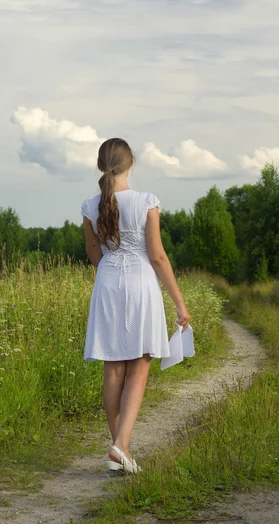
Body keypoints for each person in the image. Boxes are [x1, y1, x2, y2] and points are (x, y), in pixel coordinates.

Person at [81, 138, 190, 473]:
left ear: (101, 165)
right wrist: (180, 305)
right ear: (130, 164)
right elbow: (157, 256)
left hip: (108, 283)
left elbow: (94, 254)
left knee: (113, 369)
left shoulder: (89, 206)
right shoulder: (145, 202)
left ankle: (120, 447)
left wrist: (113, 265)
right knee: (139, 366)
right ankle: (120, 446)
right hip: (141, 283)